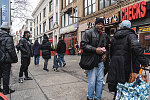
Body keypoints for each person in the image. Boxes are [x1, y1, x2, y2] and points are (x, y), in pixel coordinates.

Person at [106, 20, 149, 100]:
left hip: (115, 64)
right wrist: (144, 61)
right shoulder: (131, 35)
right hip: (126, 65)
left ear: (121, 27)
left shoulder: (114, 37)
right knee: (127, 86)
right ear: (130, 27)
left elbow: (111, 52)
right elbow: (136, 48)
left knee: (118, 87)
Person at [81, 18, 110, 100]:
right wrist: (95, 50)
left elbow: (107, 47)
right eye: (99, 23)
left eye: (102, 24)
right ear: (95, 24)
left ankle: (98, 97)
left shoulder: (104, 35)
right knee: (92, 81)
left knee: (100, 81)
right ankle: (90, 97)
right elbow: (83, 45)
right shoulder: (88, 32)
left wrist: (105, 54)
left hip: (101, 61)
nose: (101, 25)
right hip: (91, 61)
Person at [0, 22, 18, 95]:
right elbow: (11, 50)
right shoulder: (8, 38)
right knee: (6, 75)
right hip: (5, 60)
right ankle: (6, 90)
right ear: (7, 29)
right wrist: (15, 59)